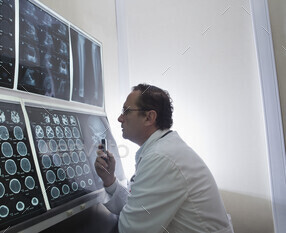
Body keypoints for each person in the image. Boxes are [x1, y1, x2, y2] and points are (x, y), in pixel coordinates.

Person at [94, 84, 234, 233]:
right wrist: (110, 180)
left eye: (126, 111)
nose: (119, 118)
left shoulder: (161, 157)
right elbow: (135, 207)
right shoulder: (161, 149)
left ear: (149, 117)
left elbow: (131, 229)